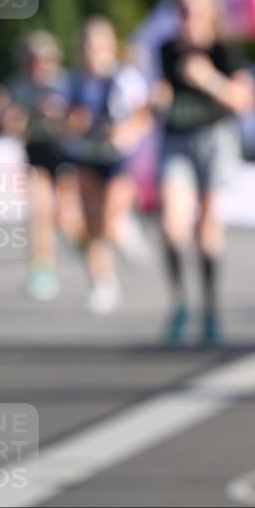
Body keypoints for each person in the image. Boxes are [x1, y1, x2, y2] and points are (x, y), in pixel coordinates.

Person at [153, 0, 255, 345]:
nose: (187, 18)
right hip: (177, 138)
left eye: (193, 10)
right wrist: (158, 97)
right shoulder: (166, 50)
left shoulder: (224, 51)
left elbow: (245, 100)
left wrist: (208, 80)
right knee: (172, 224)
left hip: (214, 137)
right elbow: (160, 89)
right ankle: (180, 302)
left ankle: (210, 309)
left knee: (207, 227)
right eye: (181, 10)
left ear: (209, 13)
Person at [65, 16, 151, 314]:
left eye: (98, 46)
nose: (93, 52)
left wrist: (126, 131)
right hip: (86, 153)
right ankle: (102, 283)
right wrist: (72, 123)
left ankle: (125, 232)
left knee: (110, 220)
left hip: (116, 155)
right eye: (88, 46)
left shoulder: (125, 78)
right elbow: (65, 119)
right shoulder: (74, 80)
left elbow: (143, 114)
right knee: (91, 221)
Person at [2, 32, 71, 301]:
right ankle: (41, 269)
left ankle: (90, 247)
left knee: (65, 217)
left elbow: (77, 118)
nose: (37, 65)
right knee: (39, 211)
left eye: (43, 59)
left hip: (65, 151)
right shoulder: (18, 85)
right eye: (32, 59)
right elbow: (13, 122)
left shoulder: (64, 82)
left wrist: (58, 115)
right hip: (36, 151)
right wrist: (13, 121)